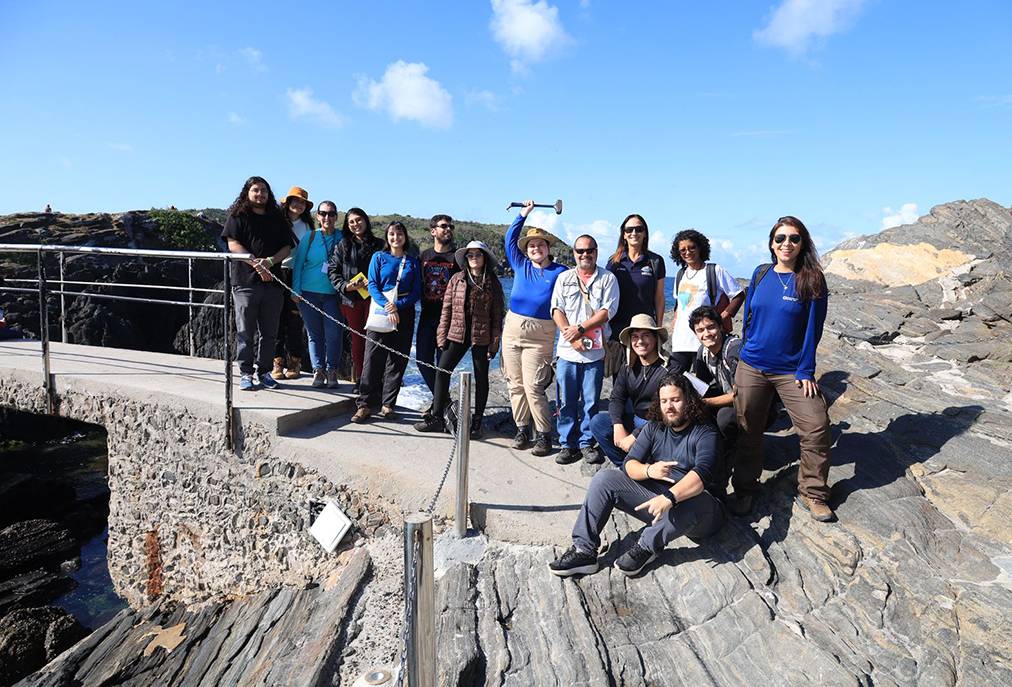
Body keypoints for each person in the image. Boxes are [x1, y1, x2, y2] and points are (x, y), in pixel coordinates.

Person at [548, 375, 726, 578]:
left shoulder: (706, 433)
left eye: (675, 400)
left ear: (689, 400)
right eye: (664, 401)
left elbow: (702, 475)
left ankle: (646, 546)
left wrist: (669, 497)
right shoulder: (655, 426)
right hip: (659, 503)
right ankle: (584, 551)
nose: (669, 406)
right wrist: (649, 471)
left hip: (701, 512)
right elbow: (629, 464)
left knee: (697, 500)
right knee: (604, 478)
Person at [730, 216, 833, 522]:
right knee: (748, 428)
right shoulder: (760, 273)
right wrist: (746, 350)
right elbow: (749, 317)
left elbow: (814, 328)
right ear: (772, 244)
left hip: (791, 371)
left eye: (794, 238)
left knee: (816, 425)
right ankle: (745, 488)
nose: (786, 243)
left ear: (803, 244)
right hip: (752, 365)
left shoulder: (812, 279)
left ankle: (813, 491)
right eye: (780, 238)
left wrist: (806, 370)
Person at [414, 241, 504, 439]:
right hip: (457, 333)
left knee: (481, 377)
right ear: (466, 259)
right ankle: (437, 417)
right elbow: (446, 309)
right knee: (442, 371)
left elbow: (497, 316)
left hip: (481, 335)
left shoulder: (493, 283)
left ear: (485, 258)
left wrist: (494, 344)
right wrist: (441, 336)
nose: (474, 258)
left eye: (478, 255)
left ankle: (477, 422)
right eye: (470, 255)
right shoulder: (457, 279)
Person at [501, 200, 568, 456]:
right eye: (531, 245)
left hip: (541, 335)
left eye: (541, 244)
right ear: (526, 250)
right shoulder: (521, 265)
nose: (536, 248)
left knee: (534, 386)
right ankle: (521, 429)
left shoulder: (560, 272)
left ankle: (543, 435)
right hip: (512, 330)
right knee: (514, 384)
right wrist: (523, 214)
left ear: (548, 248)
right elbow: (510, 239)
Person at [550, 235, 620, 465]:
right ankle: (567, 444)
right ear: (574, 253)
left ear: (596, 252)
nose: (585, 254)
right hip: (568, 351)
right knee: (566, 401)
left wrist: (580, 329)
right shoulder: (564, 278)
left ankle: (587, 443)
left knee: (591, 401)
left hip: (595, 352)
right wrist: (571, 338)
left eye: (589, 250)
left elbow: (607, 311)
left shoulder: (608, 278)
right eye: (580, 251)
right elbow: (556, 309)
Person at [221, 176, 293, 391]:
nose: (260, 194)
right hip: (245, 282)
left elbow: (287, 247)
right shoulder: (237, 216)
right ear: (247, 193)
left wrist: (270, 262)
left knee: (270, 333)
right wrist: (256, 264)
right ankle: (245, 373)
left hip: (273, 283)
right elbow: (233, 244)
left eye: (264, 190)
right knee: (245, 331)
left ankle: (264, 373)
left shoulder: (277, 217)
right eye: (256, 190)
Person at [351, 221, 421, 423]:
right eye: (391, 234)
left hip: (404, 312)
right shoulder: (379, 257)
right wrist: (388, 306)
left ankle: (388, 404)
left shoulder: (412, 261)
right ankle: (363, 405)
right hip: (381, 310)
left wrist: (397, 306)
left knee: (398, 360)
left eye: (399, 234)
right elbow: (372, 285)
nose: (395, 237)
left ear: (405, 237)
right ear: (387, 237)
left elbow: (416, 291)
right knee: (372, 358)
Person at [589, 314, 680, 466]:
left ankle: (647, 464)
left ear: (656, 338)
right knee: (598, 422)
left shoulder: (671, 367)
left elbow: (669, 412)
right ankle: (625, 466)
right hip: (637, 419)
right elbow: (617, 398)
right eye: (635, 337)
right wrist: (618, 425)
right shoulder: (628, 367)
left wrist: (635, 436)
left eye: (646, 335)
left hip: (662, 425)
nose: (640, 341)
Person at [669, 229, 745, 373]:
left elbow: (739, 295)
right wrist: (675, 317)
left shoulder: (714, 271)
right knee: (674, 379)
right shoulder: (680, 274)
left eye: (692, 247)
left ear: (700, 247)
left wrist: (724, 316)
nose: (687, 252)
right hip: (680, 341)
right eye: (682, 250)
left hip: (704, 341)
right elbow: (679, 302)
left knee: (701, 382)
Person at [688, 305, 742, 494]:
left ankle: (735, 449)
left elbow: (741, 394)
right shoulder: (702, 352)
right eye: (700, 330)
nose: (706, 334)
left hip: (753, 405)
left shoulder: (733, 349)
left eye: (710, 327)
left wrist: (707, 403)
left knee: (725, 417)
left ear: (720, 326)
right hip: (728, 398)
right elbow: (700, 386)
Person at [291, 200, 344, 389]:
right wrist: (295, 290)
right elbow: (298, 263)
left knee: (334, 334)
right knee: (314, 334)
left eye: (331, 214)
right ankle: (318, 371)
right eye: (323, 213)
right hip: (308, 292)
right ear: (317, 216)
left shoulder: (342, 237)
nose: (327, 217)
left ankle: (332, 371)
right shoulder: (310, 236)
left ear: (336, 216)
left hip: (333, 294)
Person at [329, 208, 382, 384]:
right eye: (351, 222)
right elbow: (333, 271)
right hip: (352, 301)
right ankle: (361, 380)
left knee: (375, 341)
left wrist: (375, 284)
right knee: (358, 341)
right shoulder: (342, 245)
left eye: (358, 220)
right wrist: (346, 286)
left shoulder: (380, 245)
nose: (355, 224)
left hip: (375, 300)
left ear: (365, 220)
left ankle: (375, 380)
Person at [416, 215, 460, 404]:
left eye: (451, 226)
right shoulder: (423, 257)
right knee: (422, 361)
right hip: (427, 316)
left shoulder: (458, 257)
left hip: (449, 319)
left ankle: (439, 406)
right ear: (433, 231)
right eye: (444, 226)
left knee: (443, 367)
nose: (448, 229)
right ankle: (444, 402)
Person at [605, 214, 667, 342]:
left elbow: (659, 297)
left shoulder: (655, 261)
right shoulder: (614, 262)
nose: (634, 233)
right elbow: (607, 296)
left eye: (638, 229)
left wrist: (658, 327)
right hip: (617, 328)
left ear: (645, 233)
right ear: (624, 234)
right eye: (629, 230)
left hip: (645, 327)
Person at [273, 186, 313, 380]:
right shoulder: (277, 221)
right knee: (276, 321)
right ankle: (277, 363)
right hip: (277, 273)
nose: (299, 204)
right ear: (287, 202)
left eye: (302, 202)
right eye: (295, 200)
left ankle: (295, 363)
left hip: (298, 276)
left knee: (294, 322)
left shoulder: (308, 227)